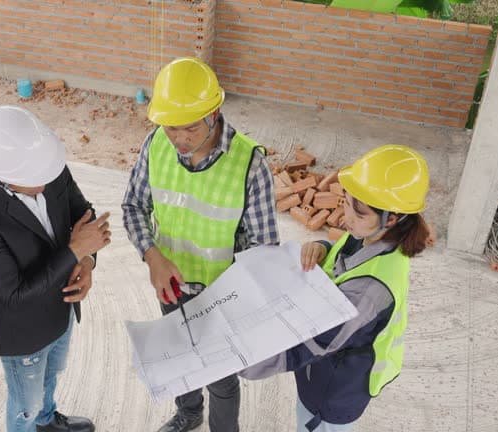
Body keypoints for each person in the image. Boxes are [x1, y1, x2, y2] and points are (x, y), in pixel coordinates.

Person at [122, 57, 279, 432]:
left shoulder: (249, 165)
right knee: (181, 356)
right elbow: (133, 206)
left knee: (221, 378)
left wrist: (231, 302)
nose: (179, 138)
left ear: (214, 112)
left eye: (189, 127)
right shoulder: (157, 144)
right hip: (171, 285)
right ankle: (188, 413)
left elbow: (263, 249)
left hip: (221, 296)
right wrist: (152, 256)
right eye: (170, 127)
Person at [240, 144, 432, 431]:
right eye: (346, 200)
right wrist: (321, 247)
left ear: (391, 218)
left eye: (359, 211)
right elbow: (344, 258)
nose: (346, 216)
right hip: (327, 372)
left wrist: (237, 361)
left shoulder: (370, 291)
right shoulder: (371, 237)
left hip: (333, 395)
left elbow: (306, 344)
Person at [0, 106, 110, 432]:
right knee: (24, 407)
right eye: (33, 181)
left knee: (50, 378)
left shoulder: (47, 168)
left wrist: (86, 261)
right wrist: (75, 250)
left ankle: (47, 420)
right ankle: (33, 421)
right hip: (23, 332)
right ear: (0, 175)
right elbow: (13, 295)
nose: (44, 183)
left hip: (62, 311)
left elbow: (82, 213)